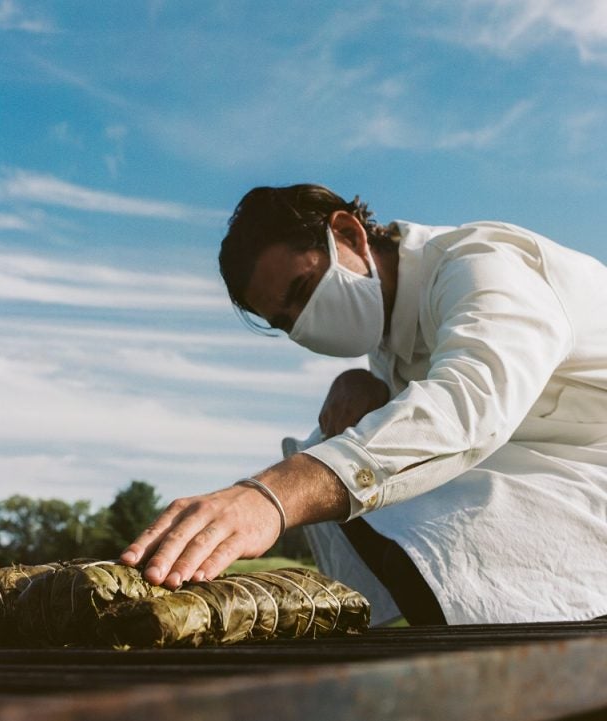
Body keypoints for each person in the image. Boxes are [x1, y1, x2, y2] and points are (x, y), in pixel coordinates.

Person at [121, 184, 607, 626]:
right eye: (287, 323)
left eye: (302, 290)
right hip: (560, 471)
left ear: (348, 234)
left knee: (341, 471)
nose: (304, 324)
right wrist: (365, 383)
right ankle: (433, 634)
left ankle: (511, 649)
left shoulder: (482, 265)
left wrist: (271, 497)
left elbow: (471, 406)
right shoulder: (388, 340)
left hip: (589, 480)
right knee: (339, 444)